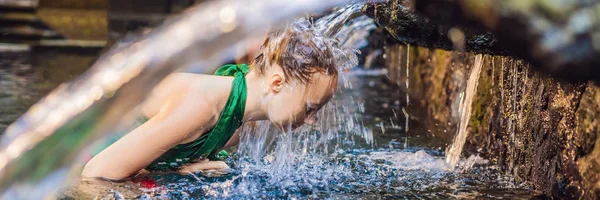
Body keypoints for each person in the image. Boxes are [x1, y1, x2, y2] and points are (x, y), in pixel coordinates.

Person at [81, 20, 341, 180]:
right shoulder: (202, 106)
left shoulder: (244, 121)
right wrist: (177, 176)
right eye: (310, 108)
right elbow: (96, 173)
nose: (310, 120)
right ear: (276, 83)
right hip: (80, 166)